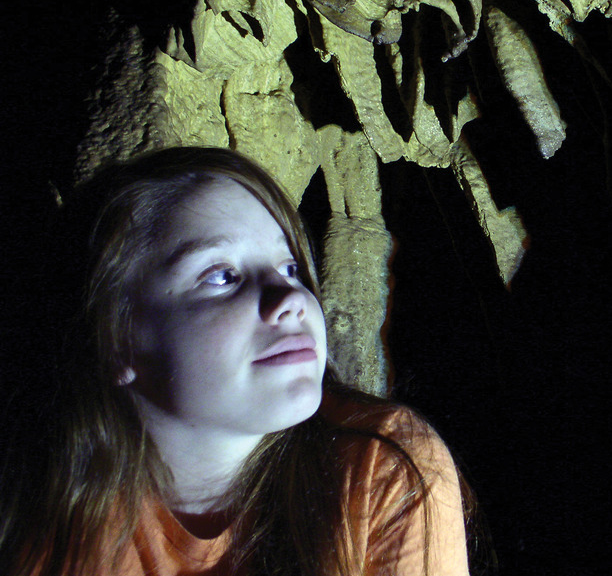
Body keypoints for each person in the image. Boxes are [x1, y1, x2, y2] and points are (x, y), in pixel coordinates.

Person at [1, 147, 470, 576]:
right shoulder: (43, 513)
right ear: (117, 340)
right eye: (223, 276)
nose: (290, 297)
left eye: (290, 268)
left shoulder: (379, 470)